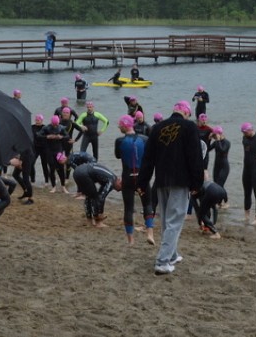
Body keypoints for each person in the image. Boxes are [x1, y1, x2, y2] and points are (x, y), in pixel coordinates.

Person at [137, 100, 203, 276]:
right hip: (180, 180)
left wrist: (142, 182)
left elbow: (148, 158)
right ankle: (162, 261)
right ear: (187, 113)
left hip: (161, 180)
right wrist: (197, 183)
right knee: (175, 220)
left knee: (167, 218)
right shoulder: (189, 127)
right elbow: (195, 156)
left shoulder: (158, 128)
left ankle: (172, 255)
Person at [114, 115, 154, 245]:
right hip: (142, 178)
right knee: (147, 204)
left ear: (125, 126)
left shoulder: (119, 141)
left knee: (129, 208)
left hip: (128, 178)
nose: (119, 126)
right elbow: (149, 157)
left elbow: (118, 155)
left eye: (120, 125)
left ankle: (131, 240)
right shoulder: (145, 139)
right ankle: (150, 234)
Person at [69, 153, 121, 228]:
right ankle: (98, 222)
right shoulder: (111, 180)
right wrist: (101, 213)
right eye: (120, 188)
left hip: (77, 172)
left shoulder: (110, 177)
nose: (119, 190)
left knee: (89, 196)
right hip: (83, 173)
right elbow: (101, 198)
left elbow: (101, 194)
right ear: (119, 181)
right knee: (94, 197)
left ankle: (89, 221)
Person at [37, 115, 70, 193]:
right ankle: (54, 187)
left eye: (57, 124)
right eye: (54, 124)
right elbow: (38, 135)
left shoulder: (61, 128)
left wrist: (61, 137)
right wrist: (47, 136)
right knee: (52, 168)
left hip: (59, 150)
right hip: (49, 150)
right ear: (51, 123)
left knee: (61, 168)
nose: (55, 126)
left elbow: (67, 136)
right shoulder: (46, 128)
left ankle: (63, 187)